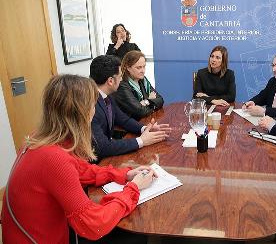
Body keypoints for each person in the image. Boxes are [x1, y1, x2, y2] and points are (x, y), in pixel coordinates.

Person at [1, 74, 157, 243]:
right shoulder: (53, 158)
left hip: (32, 233)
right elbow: (94, 225)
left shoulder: (39, 139)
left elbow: (80, 169)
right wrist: (133, 188)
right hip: (45, 238)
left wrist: (124, 175)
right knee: (134, 235)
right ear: (81, 113)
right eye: (92, 105)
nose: (94, 110)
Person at [90, 55, 171, 161]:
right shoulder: (90, 105)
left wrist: (145, 128)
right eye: (120, 76)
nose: (121, 79)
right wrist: (141, 141)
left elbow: (123, 119)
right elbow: (103, 147)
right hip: (95, 161)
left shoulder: (106, 95)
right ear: (110, 81)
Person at [114, 50, 164, 120]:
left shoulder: (142, 79)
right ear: (128, 68)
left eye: (144, 66)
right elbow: (140, 112)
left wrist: (145, 102)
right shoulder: (122, 85)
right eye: (139, 67)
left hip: (145, 121)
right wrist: (150, 101)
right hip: (130, 126)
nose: (143, 71)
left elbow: (160, 100)